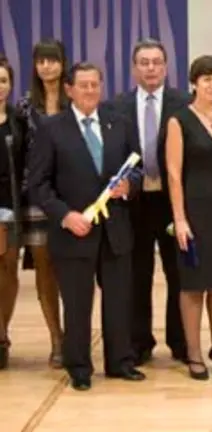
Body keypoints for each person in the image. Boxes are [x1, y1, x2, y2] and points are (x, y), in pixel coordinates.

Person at [28, 62, 146, 390]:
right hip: (73, 232)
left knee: (120, 300)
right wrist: (65, 215)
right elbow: (38, 184)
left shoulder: (118, 123)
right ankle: (79, 367)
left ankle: (121, 362)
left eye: (95, 84)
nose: (91, 91)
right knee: (78, 304)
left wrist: (129, 187)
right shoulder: (52, 129)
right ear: (69, 90)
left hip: (115, 232)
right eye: (84, 85)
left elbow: (136, 168)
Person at [107, 38, 190, 365]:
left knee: (179, 274)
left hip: (173, 203)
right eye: (144, 62)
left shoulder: (184, 103)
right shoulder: (117, 106)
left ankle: (181, 343)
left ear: (166, 67)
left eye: (156, 62)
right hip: (134, 204)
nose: (151, 68)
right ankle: (139, 343)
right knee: (136, 275)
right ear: (134, 68)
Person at [165, 55, 212, 380]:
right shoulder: (178, 120)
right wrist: (180, 219)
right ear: (194, 82)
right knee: (194, 286)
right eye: (206, 79)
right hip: (194, 212)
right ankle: (194, 354)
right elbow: (173, 172)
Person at [12, 39, 68, 369]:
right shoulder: (23, 106)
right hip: (35, 198)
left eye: (52, 60)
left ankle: (75, 336)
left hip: (72, 197)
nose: (46, 66)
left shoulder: (72, 99)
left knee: (72, 270)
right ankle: (56, 339)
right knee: (45, 270)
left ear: (63, 63)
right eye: (41, 61)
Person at [0, 56, 23, 369]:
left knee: (8, 272)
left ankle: (2, 333)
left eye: (3, 81)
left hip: (10, 207)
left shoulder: (18, 121)